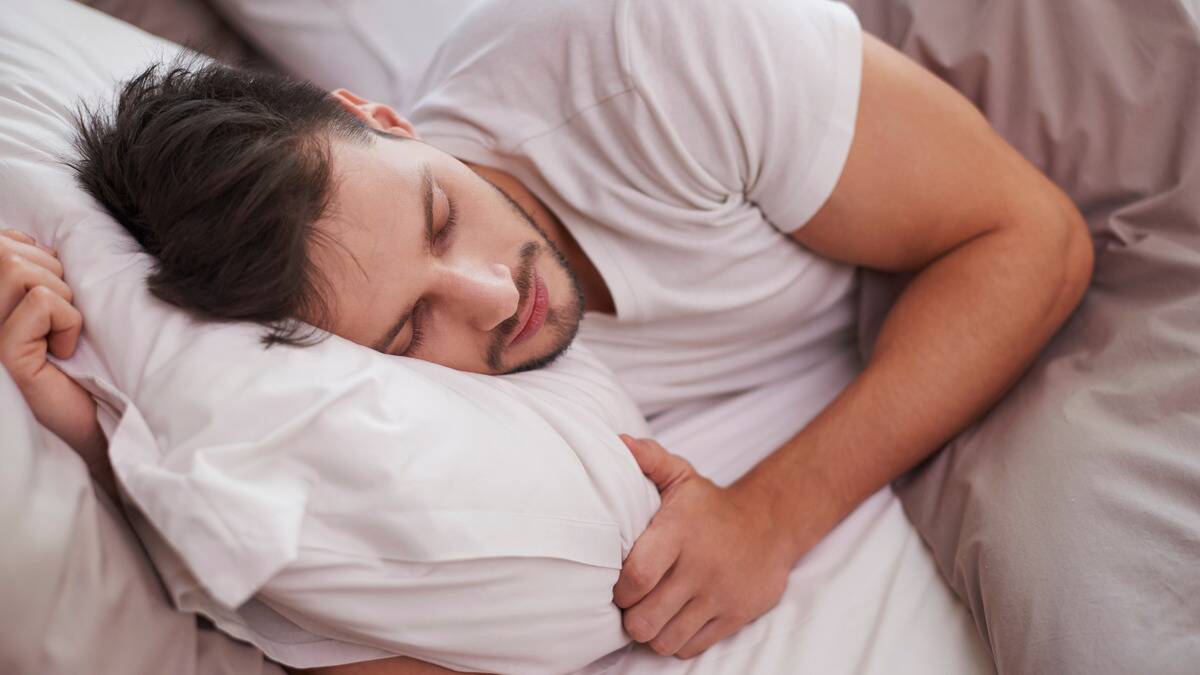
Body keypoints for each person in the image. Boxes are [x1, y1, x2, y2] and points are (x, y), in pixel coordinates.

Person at [0, 1, 1094, 673]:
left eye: (437, 215)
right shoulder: (381, 405)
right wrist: (103, 446)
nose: (487, 293)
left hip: (883, 219)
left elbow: (1032, 235)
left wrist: (774, 513)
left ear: (380, 118)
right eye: (408, 324)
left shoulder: (654, 51)